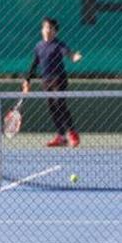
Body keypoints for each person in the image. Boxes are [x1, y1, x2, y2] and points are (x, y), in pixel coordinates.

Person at [22, 17, 82, 147]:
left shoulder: (59, 44)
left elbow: (68, 53)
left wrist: (73, 57)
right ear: (42, 30)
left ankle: (72, 133)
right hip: (46, 80)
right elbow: (34, 64)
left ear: (55, 31)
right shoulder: (38, 46)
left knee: (59, 103)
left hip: (59, 79)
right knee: (52, 108)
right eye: (45, 27)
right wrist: (28, 80)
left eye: (50, 28)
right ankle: (61, 137)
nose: (47, 30)